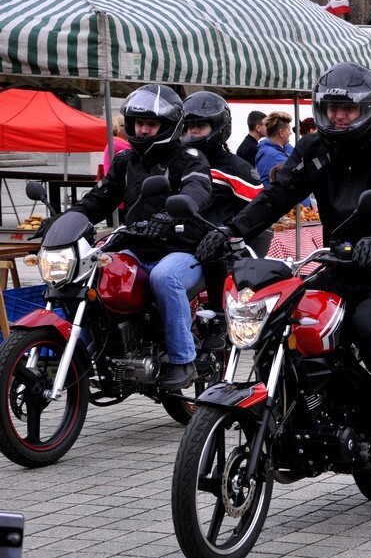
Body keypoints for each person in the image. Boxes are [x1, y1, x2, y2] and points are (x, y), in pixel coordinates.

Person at [196, 61, 371, 470]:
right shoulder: (314, 148)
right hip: (341, 263)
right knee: (286, 319)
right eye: (332, 108)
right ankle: (299, 408)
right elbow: (278, 195)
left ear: (369, 107)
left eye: (348, 109)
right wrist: (232, 230)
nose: (339, 116)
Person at [42, 84, 212, 390]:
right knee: (92, 273)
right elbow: (99, 199)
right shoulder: (125, 161)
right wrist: (64, 219)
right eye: (139, 123)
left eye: (151, 124)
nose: (143, 130)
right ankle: (89, 352)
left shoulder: (189, 157)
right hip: (136, 246)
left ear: (169, 125)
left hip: (182, 250)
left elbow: (197, 189)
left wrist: (170, 215)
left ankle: (183, 359)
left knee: (164, 277)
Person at [179, 92, 265, 349]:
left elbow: (258, 209)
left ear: (219, 127)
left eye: (201, 125)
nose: (194, 131)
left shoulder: (236, 168)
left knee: (214, 245)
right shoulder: (177, 162)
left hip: (218, 245)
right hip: (180, 239)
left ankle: (218, 317)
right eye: (189, 126)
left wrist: (228, 232)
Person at [255, 111, 294, 186]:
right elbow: (268, 186)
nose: (290, 133)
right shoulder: (268, 156)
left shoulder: (287, 147)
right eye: (289, 129)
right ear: (281, 132)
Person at [100, 114, 130, 178]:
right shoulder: (117, 144)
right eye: (123, 125)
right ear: (116, 129)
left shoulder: (115, 142)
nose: (127, 127)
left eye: (127, 124)